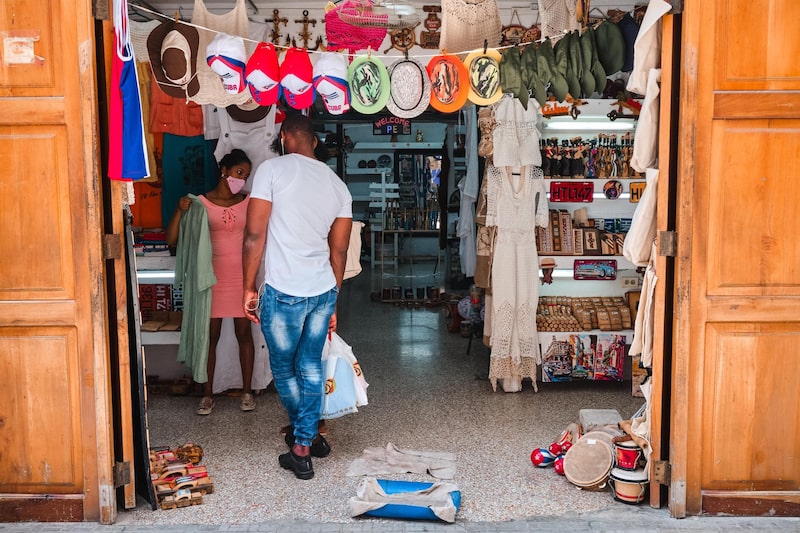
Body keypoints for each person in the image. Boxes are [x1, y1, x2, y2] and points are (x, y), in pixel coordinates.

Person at [243, 113, 352, 480]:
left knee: (284, 369)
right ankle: (310, 436)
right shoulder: (338, 186)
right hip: (321, 290)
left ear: (284, 137)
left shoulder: (271, 171)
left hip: (283, 290)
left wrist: (247, 287)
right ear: (314, 142)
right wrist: (333, 300)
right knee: (309, 367)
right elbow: (339, 252)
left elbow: (254, 235)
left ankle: (302, 447)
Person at [166, 148, 256, 416]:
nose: (242, 179)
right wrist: (179, 210)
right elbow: (172, 239)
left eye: (246, 175)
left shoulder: (249, 202)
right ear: (223, 170)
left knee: (244, 334)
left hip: (242, 277)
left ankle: (247, 391)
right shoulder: (199, 203)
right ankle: (207, 395)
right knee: (209, 338)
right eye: (239, 172)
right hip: (210, 279)